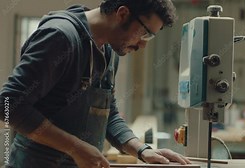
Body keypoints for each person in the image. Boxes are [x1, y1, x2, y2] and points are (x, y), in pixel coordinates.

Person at [0, 0, 191, 168]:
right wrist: (75, 148)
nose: (143, 44)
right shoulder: (61, 38)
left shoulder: (108, 51)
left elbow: (108, 113)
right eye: (145, 33)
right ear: (122, 14)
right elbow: (7, 104)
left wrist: (141, 150)